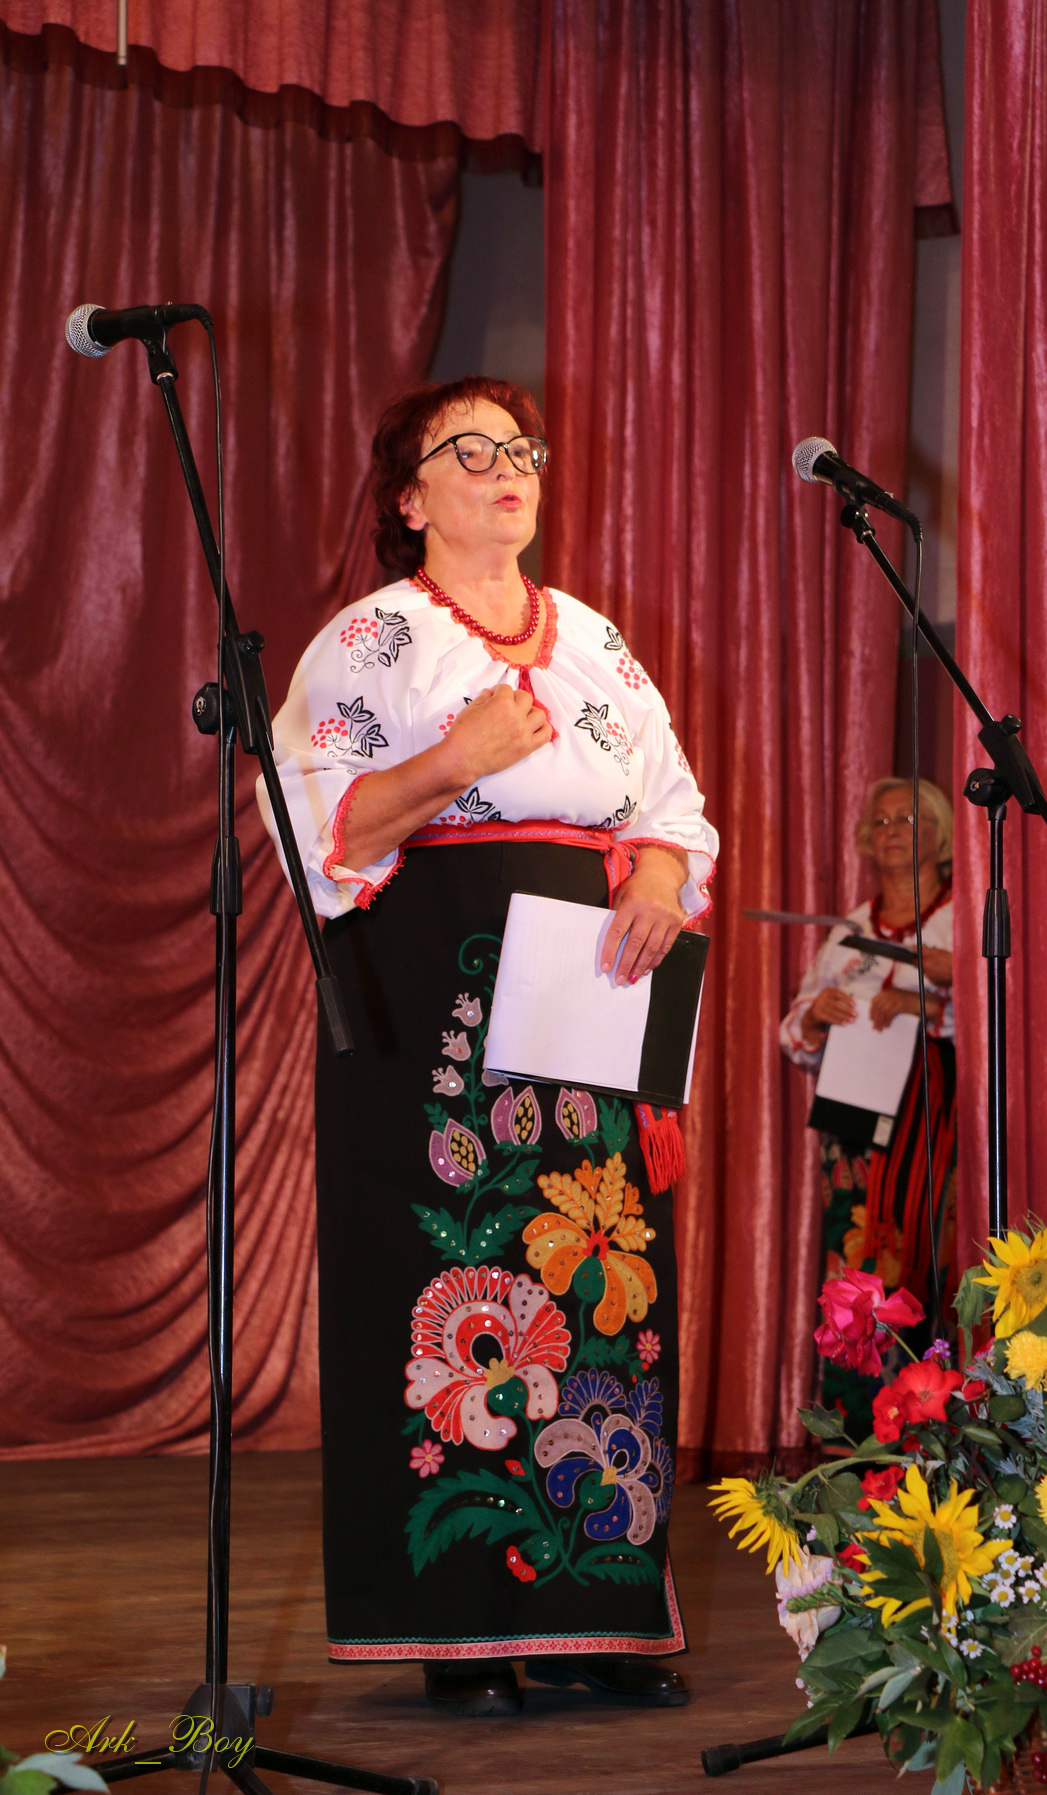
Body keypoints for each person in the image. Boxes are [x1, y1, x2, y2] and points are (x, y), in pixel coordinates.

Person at [258, 376, 718, 1718]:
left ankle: (591, 1619)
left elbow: (671, 803)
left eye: (519, 448)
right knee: (451, 1270)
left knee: (595, 1282)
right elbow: (313, 824)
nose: (506, 467)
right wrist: (453, 757)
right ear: (410, 497)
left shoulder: (594, 642)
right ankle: (459, 1623)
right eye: (469, 451)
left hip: (585, 995)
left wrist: (654, 878)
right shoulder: (375, 640)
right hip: (432, 1008)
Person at [780, 777, 956, 1433]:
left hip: (930, 1118)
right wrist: (814, 1015)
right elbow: (793, 1032)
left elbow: (1006, 1018)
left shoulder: (962, 918)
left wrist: (925, 1005)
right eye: (879, 821)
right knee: (851, 1266)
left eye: (907, 819)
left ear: (940, 835)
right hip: (851, 1123)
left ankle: (925, 1429)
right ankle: (853, 1431)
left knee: (924, 1259)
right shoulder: (850, 929)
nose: (891, 831)